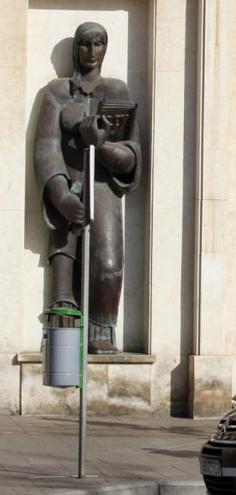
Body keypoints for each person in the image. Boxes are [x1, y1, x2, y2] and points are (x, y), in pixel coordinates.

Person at [33, 22, 142, 354]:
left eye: (98, 45)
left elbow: (131, 156)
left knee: (108, 265)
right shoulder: (56, 92)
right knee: (65, 248)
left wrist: (100, 146)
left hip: (104, 186)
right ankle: (61, 325)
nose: (91, 53)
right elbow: (46, 147)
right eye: (84, 45)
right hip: (68, 181)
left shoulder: (118, 92)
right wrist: (59, 193)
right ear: (75, 49)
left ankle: (101, 328)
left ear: (105, 50)